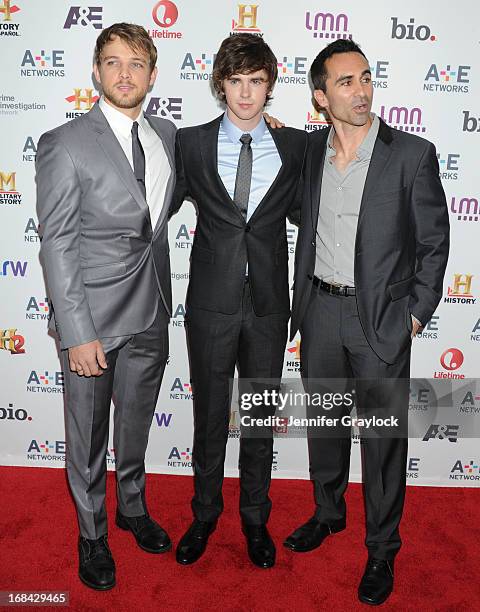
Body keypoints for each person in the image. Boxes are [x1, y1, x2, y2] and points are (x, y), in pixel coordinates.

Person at [284, 39, 449, 605]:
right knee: (325, 428)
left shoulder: (412, 154)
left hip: (380, 320)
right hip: (319, 311)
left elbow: (433, 243)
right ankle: (328, 514)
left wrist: (415, 316)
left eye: (366, 78)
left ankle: (382, 549)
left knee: (381, 441)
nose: (361, 91)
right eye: (346, 83)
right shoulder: (308, 153)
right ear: (321, 96)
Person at [36, 23, 175, 591]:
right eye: (113, 62)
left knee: (135, 426)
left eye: (137, 63)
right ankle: (92, 533)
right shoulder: (64, 142)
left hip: (152, 311)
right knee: (89, 435)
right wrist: (76, 332)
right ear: (96, 72)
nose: (125, 73)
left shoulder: (167, 134)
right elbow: (57, 242)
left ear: (152, 75)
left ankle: (132, 507)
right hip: (92, 320)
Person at [169, 33, 306, 569]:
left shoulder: (296, 146)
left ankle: (255, 517)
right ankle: (204, 514)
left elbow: (318, 209)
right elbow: (154, 210)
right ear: (220, 84)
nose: (245, 94)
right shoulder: (192, 143)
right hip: (209, 304)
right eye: (235, 81)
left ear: (270, 84)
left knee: (259, 416)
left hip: (270, 306)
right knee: (208, 415)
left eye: (255, 81)